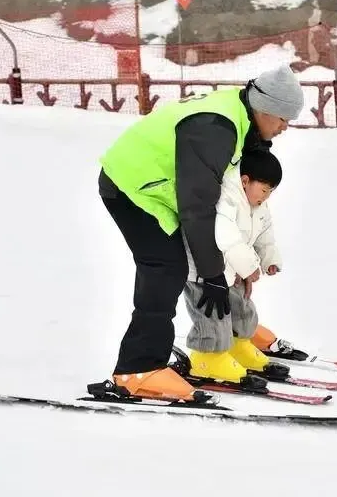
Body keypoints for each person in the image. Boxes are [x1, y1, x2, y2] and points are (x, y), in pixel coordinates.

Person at [96, 64, 304, 402]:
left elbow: (235, 205)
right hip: (133, 186)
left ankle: (228, 340)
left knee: (204, 261)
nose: (285, 127)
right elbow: (197, 207)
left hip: (167, 190)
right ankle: (138, 369)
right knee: (166, 267)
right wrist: (213, 275)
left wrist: (233, 266)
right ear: (265, 109)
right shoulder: (214, 129)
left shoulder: (245, 121)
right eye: (283, 119)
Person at [182, 149, 283, 383]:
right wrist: (248, 266)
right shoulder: (226, 198)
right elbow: (226, 236)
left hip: (231, 270)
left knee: (241, 307)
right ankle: (207, 358)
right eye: (264, 190)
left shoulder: (257, 204)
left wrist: (269, 258)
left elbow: (265, 233)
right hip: (204, 270)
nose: (267, 197)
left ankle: (237, 346)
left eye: (271, 192)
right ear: (245, 181)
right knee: (212, 316)